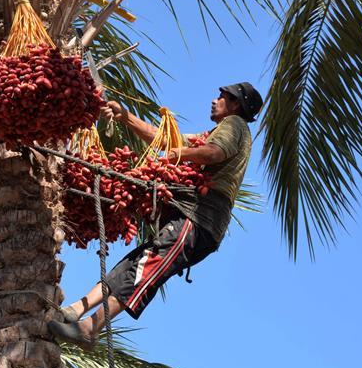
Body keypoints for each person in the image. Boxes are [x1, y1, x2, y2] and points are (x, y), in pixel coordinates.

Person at [48, 82, 264, 349]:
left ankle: (90, 329)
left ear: (236, 104)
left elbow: (214, 153)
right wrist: (126, 117)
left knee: (145, 270)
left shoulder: (235, 124)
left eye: (222, 97)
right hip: (186, 215)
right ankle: (75, 310)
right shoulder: (213, 132)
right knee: (131, 264)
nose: (214, 100)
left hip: (199, 218)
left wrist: (178, 155)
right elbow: (167, 140)